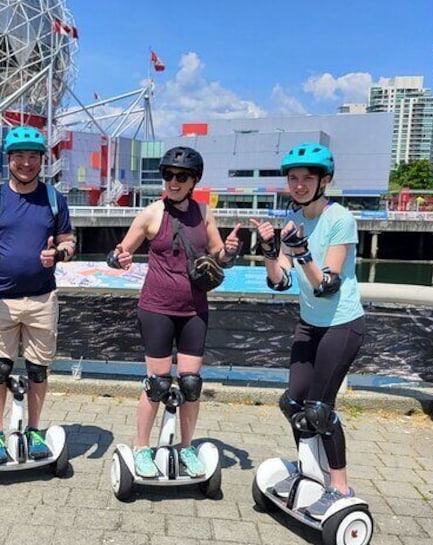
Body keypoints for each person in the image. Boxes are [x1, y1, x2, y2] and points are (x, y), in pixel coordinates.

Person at [105, 146, 240, 478]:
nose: (173, 182)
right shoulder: (151, 214)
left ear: (194, 180)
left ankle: (186, 446)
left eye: (181, 177)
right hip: (157, 309)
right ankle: (141, 448)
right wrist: (119, 259)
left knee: (191, 383)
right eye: (168, 175)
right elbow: (119, 252)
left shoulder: (204, 214)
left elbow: (217, 255)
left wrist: (229, 252)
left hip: (195, 309)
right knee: (158, 384)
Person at [249, 142, 365, 519]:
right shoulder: (293, 224)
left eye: (307, 179)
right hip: (308, 326)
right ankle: (309, 468)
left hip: (341, 325)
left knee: (319, 409)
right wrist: (270, 250)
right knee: (293, 404)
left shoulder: (340, 219)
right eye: (293, 178)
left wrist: (302, 253)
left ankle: (340, 487)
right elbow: (280, 282)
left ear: (324, 181)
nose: (298, 185)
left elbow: (325, 283)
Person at [0, 125, 76, 464]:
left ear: (42, 160)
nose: (26, 163)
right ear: (8, 160)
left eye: (32, 156)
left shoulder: (55, 199)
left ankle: (35, 430)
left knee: (39, 369)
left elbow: (69, 241)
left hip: (42, 299)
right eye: (19, 156)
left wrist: (58, 255)